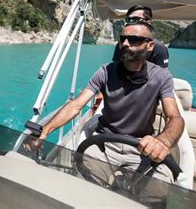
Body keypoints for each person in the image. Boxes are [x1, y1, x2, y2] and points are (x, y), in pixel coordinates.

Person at [27, 22, 184, 182]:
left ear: (149, 45)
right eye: (122, 39)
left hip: (142, 146)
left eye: (134, 39)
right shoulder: (105, 72)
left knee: (161, 182)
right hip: (104, 144)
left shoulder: (161, 77)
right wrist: (45, 131)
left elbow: (174, 117)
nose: (125, 43)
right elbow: (76, 105)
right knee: (84, 178)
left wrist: (162, 142)